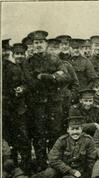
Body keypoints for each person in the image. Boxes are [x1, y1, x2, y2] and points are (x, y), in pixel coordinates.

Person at [22, 30, 70, 170]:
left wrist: (45, 76)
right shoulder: (28, 62)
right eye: (36, 43)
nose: (38, 45)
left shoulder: (54, 59)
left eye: (41, 42)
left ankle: (55, 162)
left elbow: (65, 76)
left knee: (55, 132)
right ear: (33, 44)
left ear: (46, 43)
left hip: (54, 103)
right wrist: (54, 77)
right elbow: (31, 83)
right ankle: (41, 163)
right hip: (37, 104)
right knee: (39, 133)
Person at [30, 116, 98, 178]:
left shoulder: (88, 141)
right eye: (72, 129)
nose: (75, 132)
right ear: (68, 130)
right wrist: (70, 170)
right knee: (46, 176)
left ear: (81, 129)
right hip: (59, 169)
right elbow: (53, 160)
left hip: (77, 173)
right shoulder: (62, 140)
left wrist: (82, 176)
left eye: (77, 129)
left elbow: (90, 162)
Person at [3, 42, 32, 172]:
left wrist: (22, 89)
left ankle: (26, 168)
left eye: (5, 51)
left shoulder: (14, 68)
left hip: (18, 108)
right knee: (8, 139)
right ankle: (11, 168)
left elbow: (26, 84)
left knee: (23, 138)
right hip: (4, 110)